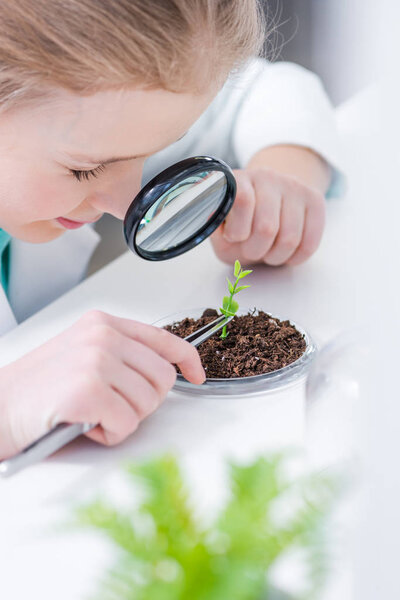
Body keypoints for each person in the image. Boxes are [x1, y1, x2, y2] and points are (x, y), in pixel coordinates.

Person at [0, 0, 342, 459]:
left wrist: (279, 186)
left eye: (160, 151)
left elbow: (272, 91)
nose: (128, 208)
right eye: (84, 171)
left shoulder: (90, 117)